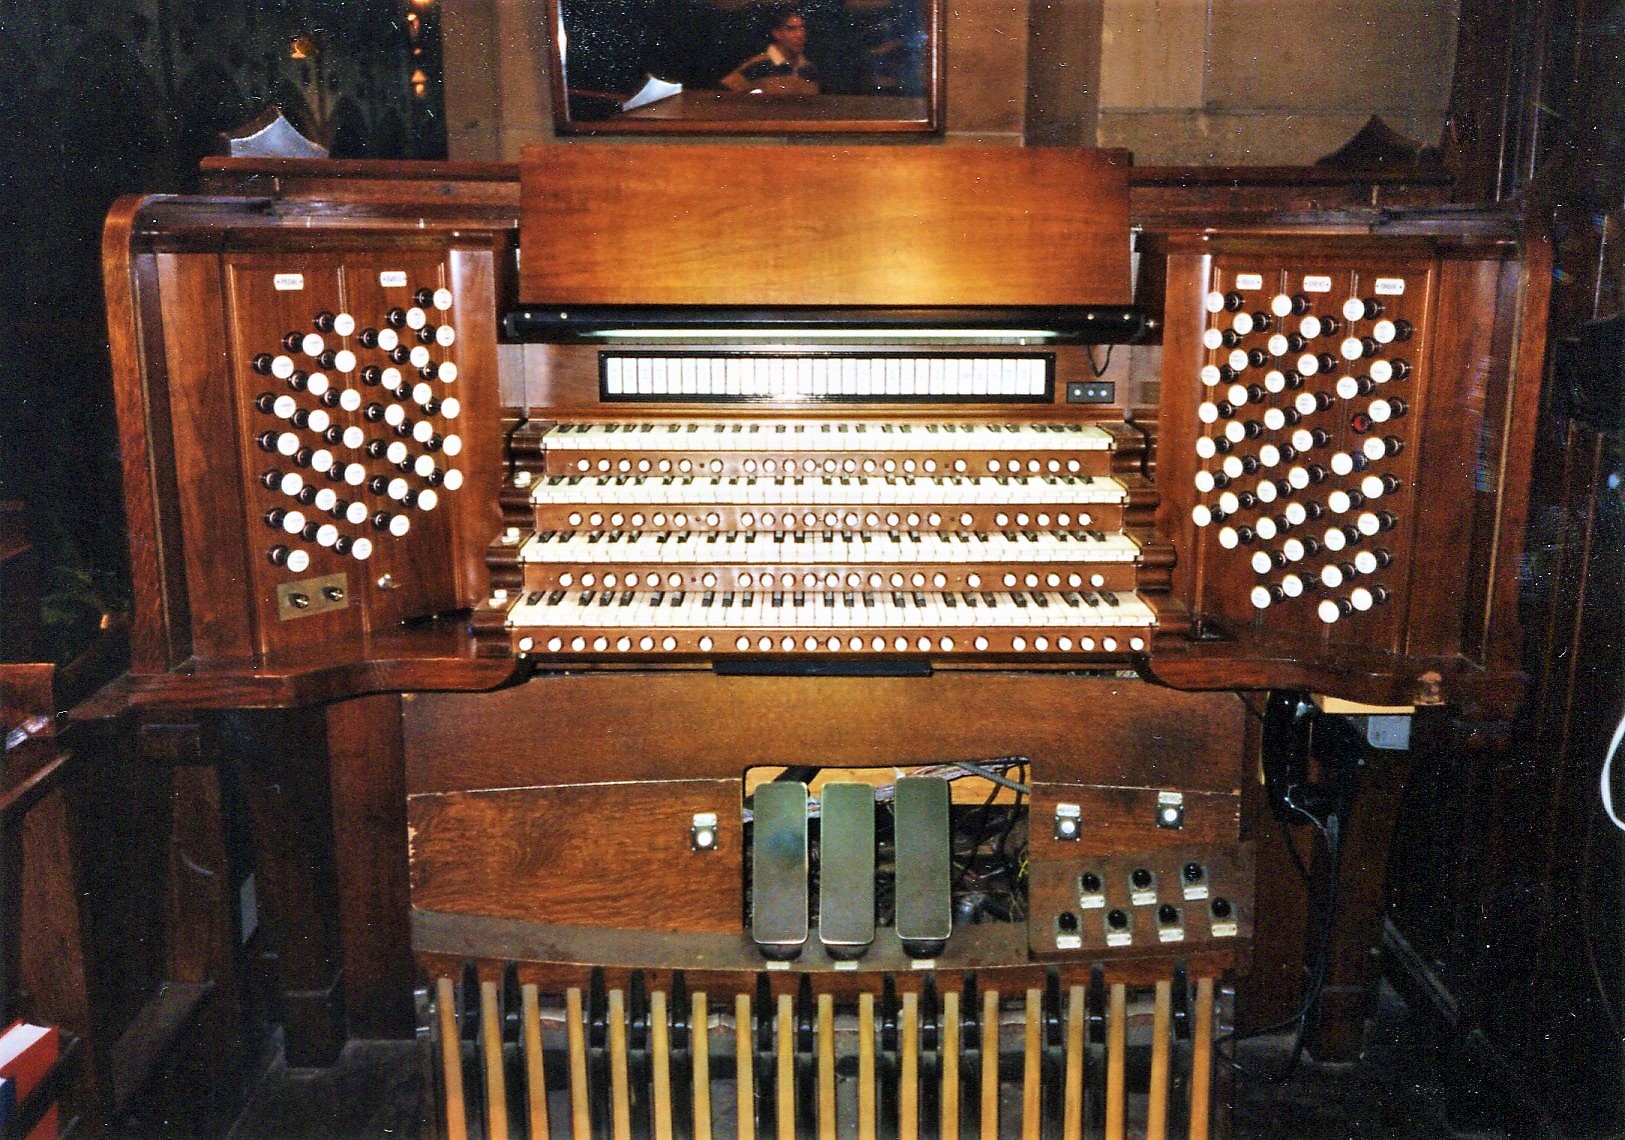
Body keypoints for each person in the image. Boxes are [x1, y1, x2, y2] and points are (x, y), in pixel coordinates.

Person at [720, 8, 819, 95]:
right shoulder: (758, 65)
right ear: (777, 33)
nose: (800, 35)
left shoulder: (809, 69)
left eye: (802, 28)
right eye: (791, 29)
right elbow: (723, 96)